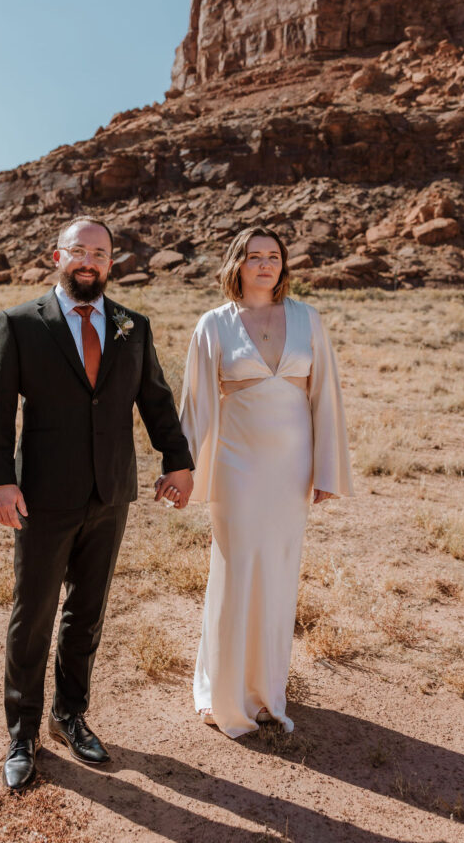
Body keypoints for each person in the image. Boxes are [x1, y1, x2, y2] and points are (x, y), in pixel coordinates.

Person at [0, 215, 193, 790]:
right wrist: (1, 481)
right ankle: (21, 732)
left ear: (111, 262)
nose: (89, 261)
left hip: (111, 491)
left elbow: (156, 399)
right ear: (57, 256)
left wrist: (178, 461)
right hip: (41, 496)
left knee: (87, 611)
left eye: (100, 253)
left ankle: (70, 714)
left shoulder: (132, 325)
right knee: (34, 614)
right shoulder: (21, 322)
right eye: (80, 250)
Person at [179, 226, 353, 739]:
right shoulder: (213, 325)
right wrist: (182, 469)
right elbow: (197, 405)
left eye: (272, 256)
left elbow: (326, 397)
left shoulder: (307, 319)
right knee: (234, 572)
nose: (264, 264)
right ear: (237, 264)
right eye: (253, 256)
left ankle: (264, 694)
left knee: (279, 574)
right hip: (237, 466)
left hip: (291, 468)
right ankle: (223, 693)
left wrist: (325, 470)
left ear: (283, 264)